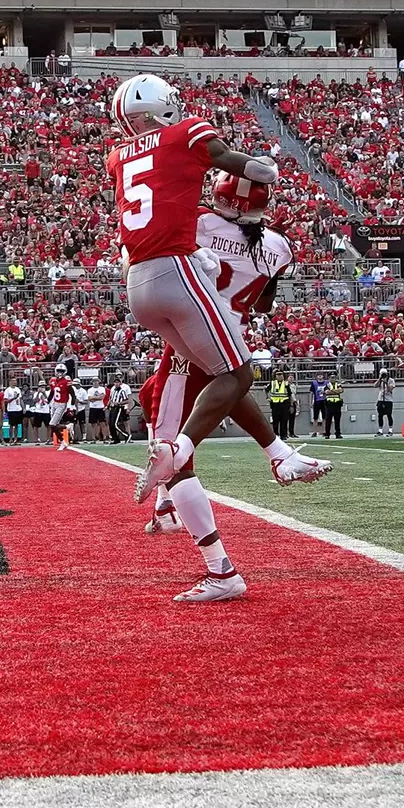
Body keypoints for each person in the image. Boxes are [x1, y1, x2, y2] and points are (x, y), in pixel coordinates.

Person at [138, 168, 329, 603]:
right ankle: (279, 455)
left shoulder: (201, 222)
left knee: (172, 456)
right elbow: (264, 302)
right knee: (211, 388)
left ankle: (221, 570)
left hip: (193, 337)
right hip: (233, 335)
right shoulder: (279, 246)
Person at [111, 73, 289, 506]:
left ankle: (170, 489)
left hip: (149, 285)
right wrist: (267, 167)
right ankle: (192, 457)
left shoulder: (118, 157)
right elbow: (251, 167)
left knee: (163, 393)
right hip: (199, 298)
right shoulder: (279, 246)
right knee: (233, 378)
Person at [47, 366, 73, 450]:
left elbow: (72, 394)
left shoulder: (66, 381)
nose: (59, 372)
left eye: (61, 371)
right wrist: (48, 400)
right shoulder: (53, 380)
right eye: (58, 370)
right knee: (54, 425)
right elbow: (52, 392)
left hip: (62, 404)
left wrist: (71, 405)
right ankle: (66, 432)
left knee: (52, 424)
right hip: (54, 403)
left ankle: (65, 433)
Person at [268, 372, 293, 439]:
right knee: (275, 420)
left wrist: (291, 405)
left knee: (284, 420)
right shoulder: (272, 383)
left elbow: (290, 394)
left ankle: (283, 435)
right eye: (278, 375)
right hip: (275, 404)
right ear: (275, 376)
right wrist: (268, 398)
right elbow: (266, 390)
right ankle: (275, 435)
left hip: (284, 404)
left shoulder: (286, 384)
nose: (279, 376)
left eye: (281, 375)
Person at [107, 378, 133, 444]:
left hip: (118, 408)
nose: (116, 384)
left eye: (118, 382)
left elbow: (127, 400)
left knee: (115, 424)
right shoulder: (113, 390)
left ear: (120, 383)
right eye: (115, 382)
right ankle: (115, 439)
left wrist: (118, 403)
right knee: (110, 424)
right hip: (112, 408)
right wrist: (107, 405)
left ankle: (127, 435)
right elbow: (111, 399)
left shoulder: (122, 391)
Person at [374, 369, 396, 436]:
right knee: (380, 415)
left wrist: (386, 382)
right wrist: (380, 379)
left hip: (388, 400)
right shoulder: (380, 380)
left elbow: (390, 389)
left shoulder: (391, 380)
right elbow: (375, 385)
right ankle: (380, 431)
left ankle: (390, 430)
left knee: (389, 415)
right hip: (380, 399)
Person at [3, 378, 25, 444]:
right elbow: (5, 401)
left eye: (15, 381)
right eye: (13, 381)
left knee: (17, 425)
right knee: (11, 425)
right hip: (11, 409)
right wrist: (13, 398)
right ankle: (10, 439)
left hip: (18, 408)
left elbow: (20, 399)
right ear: (10, 382)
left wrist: (23, 407)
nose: (14, 382)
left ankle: (15, 439)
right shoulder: (7, 390)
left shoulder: (18, 389)